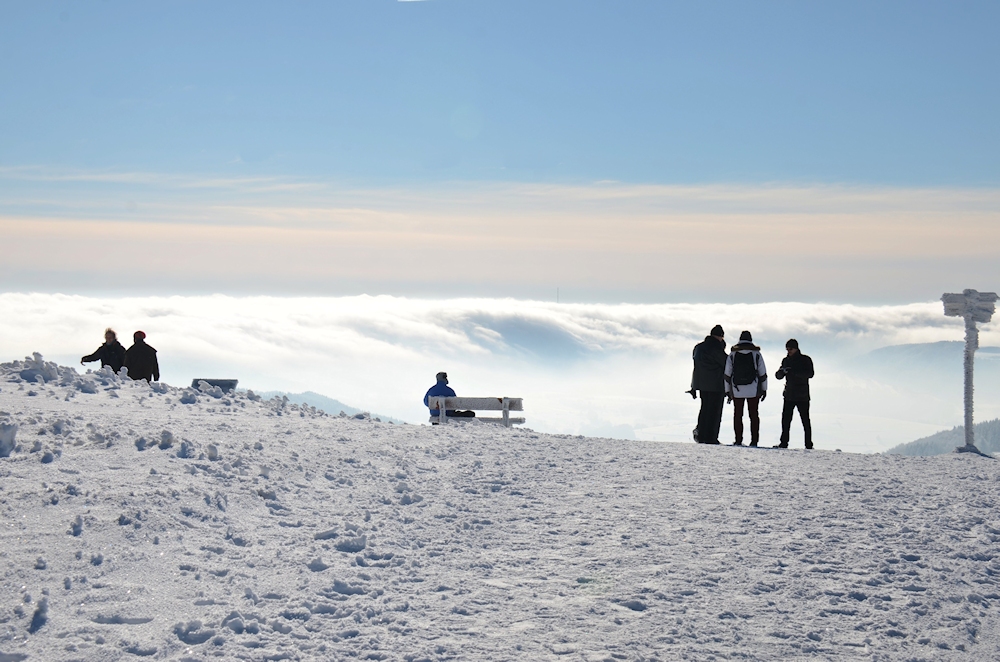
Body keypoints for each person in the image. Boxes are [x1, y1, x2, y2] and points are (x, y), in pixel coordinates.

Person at [724, 331, 768, 446]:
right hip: (753, 389)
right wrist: (764, 389)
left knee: (738, 414)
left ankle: (738, 440)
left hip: (737, 388)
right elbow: (762, 373)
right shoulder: (756, 353)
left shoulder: (733, 353)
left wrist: (727, 390)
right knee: (753, 415)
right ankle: (754, 441)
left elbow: (727, 374)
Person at [690, 325, 728, 444]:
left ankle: (701, 434)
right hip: (716, 385)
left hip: (701, 384)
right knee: (715, 412)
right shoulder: (716, 348)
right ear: (720, 336)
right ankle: (711, 437)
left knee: (704, 409)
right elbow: (726, 363)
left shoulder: (699, 348)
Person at [775, 338, 814, 449]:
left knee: (805, 420)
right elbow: (778, 376)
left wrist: (794, 372)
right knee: (786, 420)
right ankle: (784, 443)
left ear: (796, 348)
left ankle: (808, 444)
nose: (788, 351)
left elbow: (810, 374)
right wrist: (782, 372)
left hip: (801, 395)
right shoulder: (786, 361)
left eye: (790, 349)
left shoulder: (805, 360)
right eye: (787, 349)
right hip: (790, 394)